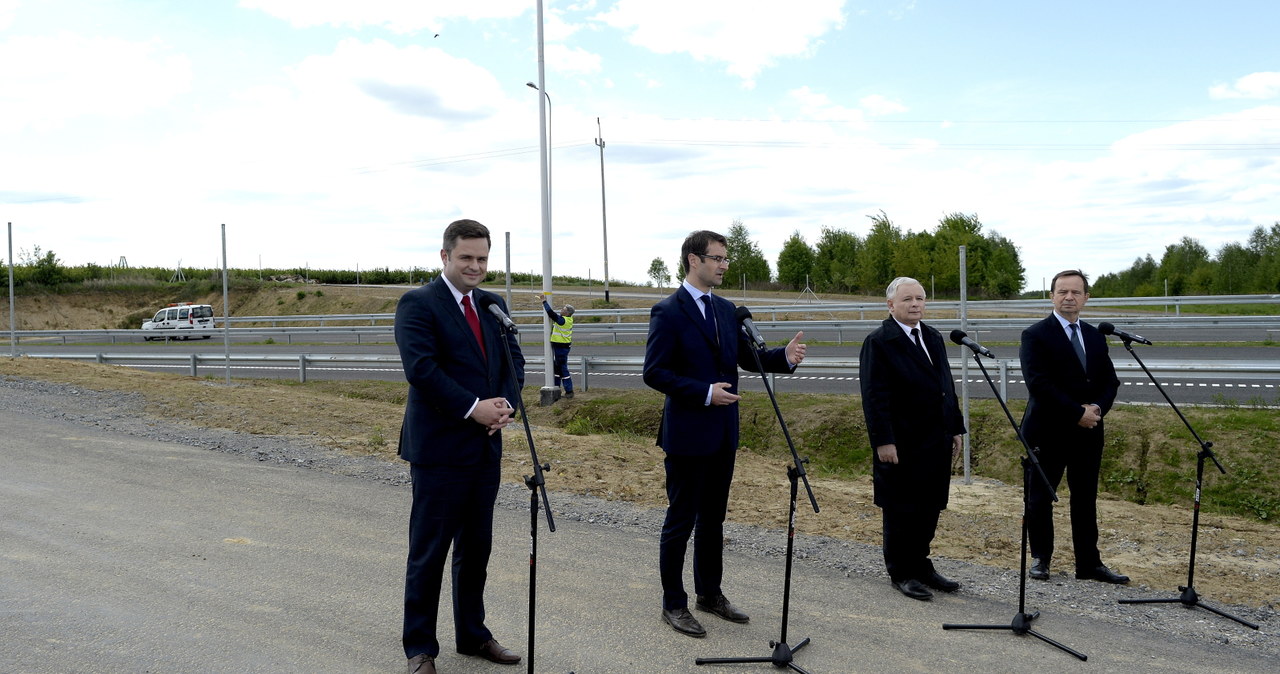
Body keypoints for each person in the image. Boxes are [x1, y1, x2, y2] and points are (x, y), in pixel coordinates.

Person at [642, 229, 807, 638]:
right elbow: (655, 372)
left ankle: (709, 594)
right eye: (717, 258)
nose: (724, 265)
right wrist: (702, 392)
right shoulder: (668, 311)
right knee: (681, 520)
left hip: (722, 434)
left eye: (725, 258)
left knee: (713, 520)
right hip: (686, 434)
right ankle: (673, 603)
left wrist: (782, 357)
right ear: (693, 261)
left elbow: (746, 358)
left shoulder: (726, 309)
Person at [395, 219, 525, 674]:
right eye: (466, 257)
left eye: (482, 259)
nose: (475, 266)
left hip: (485, 449)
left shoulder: (492, 305)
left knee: (477, 550)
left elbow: (514, 360)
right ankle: (420, 649)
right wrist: (474, 408)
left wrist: (506, 405)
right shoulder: (419, 303)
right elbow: (422, 370)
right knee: (429, 552)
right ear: (445, 256)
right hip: (439, 451)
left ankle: (472, 635)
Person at [858, 277, 966, 601]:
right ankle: (901, 571)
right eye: (907, 299)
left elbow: (945, 384)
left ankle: (922, 564)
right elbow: (874, 396)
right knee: (901, 507)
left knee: (930, 505)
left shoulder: (932, 336)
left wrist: (956, 426)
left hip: (936, 438)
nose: (915, 304)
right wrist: (883, 440)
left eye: (920, 298)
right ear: (891, 305)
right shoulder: (879, 342)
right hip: (902, 441)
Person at [1020, 269, 1128, 585]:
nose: (1069, 297)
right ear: (1052, 296)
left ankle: (1089, 564)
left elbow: (1110, 381)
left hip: (1088, 432)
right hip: (1047, 431)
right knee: (1039, 498)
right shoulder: (1035, 335)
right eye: (1063, 292)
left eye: (1076, 292)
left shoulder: (1095, 336)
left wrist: (1096, 409)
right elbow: (1039, 384)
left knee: (1085, 499)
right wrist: (1075, 412)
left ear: (1086, 297)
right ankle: (1041, 559)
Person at [541, 296, 576, 398]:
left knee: (562, 369)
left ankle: (569, 391)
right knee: (557, 369)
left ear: (567, 313)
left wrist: (544, 302)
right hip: (561, 347)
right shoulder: (567, 319)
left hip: (561, 348)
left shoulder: (563, 321)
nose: (561, 310)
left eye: (563, 310)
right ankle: (557, 387)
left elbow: (551, 314)